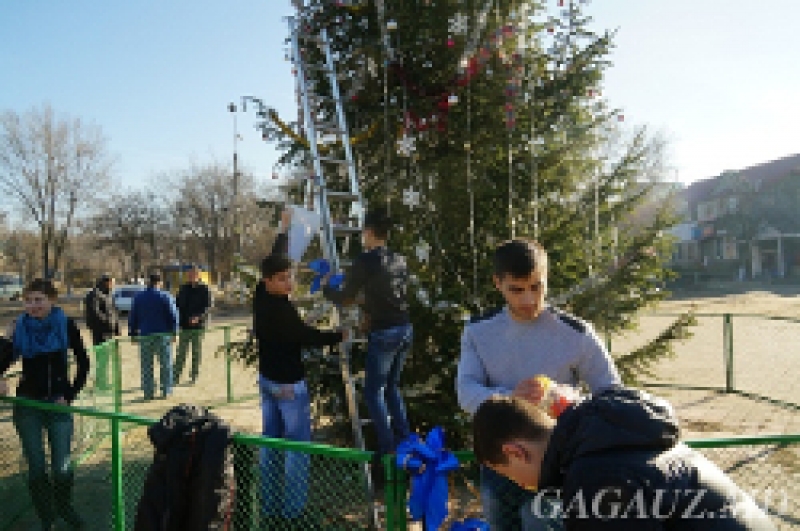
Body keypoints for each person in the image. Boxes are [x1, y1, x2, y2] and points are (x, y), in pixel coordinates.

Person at [457, 239, 621, 530]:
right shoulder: (477, 331)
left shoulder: (576, 333)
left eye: (537, 287)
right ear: (498, 283)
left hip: (558, 460)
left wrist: (566, 401)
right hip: (500, 460)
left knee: (539, 524)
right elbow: (466, 392)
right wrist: (511, 398)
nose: (529, 299)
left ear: (547, 278)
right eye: (516, 290)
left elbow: (612, 395)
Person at [472, 388, 776, 530]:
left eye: (510, 475)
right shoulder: (609, 438)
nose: (523, 487)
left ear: (515, 452)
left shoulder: (595, 476)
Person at [254, 209, 345, 521]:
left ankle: (269, 507)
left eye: (290, 276)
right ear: (268, 282)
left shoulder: (259, 295)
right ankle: (293, 513)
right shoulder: (280, 311)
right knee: (296, 450)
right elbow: (306, 337)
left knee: (270, 444)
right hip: (289, 386)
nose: (289, 281)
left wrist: (283, 231)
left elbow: (275, 257)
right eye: (282, 279)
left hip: (267, 382)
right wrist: (339, 334)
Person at [320, 207, 413, 482]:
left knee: (374, 391)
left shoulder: (365, 261)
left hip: (385, 333)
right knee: (393, 387)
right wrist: (369, 311)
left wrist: (326, 286)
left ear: (370, 233)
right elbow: (388, 295)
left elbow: (346, 298)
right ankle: (404, 437)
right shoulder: (399, 259)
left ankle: (389, 449)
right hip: (405, 328)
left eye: (363, 231)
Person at [0, 278, 90, 530]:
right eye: (28, 300)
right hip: (28, 404)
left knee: (61, 467)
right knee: (37, 468)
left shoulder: (66, 324)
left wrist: (69, 395)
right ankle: (46, 517)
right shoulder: (20, 327)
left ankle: (64, 507)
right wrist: (7, 339)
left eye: (38, 300)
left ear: (52, 300)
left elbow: (84, 363)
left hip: (57, 403)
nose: (32, 306)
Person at [128, 273, 179, 401]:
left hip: (145, 334)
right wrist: (174, 332)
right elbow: (173, 315)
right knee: (165, 363)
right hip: (162, 335)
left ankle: (148, 391)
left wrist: (133, 333)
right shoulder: (165, 296)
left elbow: (133, 316)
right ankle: (165, 390)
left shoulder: (138, 297)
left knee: (146, 365)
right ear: (159, 282)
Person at [174, 265, 212, 385]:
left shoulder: (204, 289)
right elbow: (177, 305)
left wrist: (199, 317)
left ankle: (194, 375)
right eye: (189, 275)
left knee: (196, 352)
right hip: (184, 326)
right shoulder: (183, 289)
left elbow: (208, 307)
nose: (191, 277)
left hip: (198, 327)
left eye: (193, 275)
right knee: (181, 353)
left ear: (198, 275)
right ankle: (175, 376)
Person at [84, 274, 120, 390]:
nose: (114, 286)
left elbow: (113, 312)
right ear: (106, 283)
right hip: (100, 332)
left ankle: (102, 381)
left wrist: (116, 328)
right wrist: (109, 324)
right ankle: (100, 383)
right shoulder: (94, 295)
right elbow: (95, 314)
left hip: (108, 333)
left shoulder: (107, 295)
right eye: (112, 283)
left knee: (106, 359)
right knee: (102, 359)